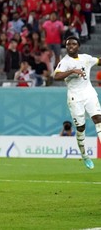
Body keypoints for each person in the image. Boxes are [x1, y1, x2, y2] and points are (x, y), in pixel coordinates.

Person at [53, 36, 101, 169]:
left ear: (78, 46)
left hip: (89, 93)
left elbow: (98, 61)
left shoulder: (86, 58)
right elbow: (56, 76)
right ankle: (85, 155)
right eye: (68, 45)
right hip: (75, 97)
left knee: (98, 119)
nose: (70, 46)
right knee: (81, 128)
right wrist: (72, 71)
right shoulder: (65, 62)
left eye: (73, 44)